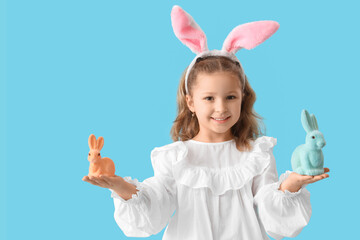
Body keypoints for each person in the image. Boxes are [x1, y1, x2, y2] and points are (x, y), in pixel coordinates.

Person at [82, 5, 330, 240]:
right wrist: (122, 188)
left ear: (242, 99)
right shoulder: (175, 157)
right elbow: (155, 207)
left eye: (230, 97)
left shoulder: (257, 154)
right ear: (191, 102)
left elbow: (271, 215)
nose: (221, 107)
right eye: (209, 98)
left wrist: (290, 186)